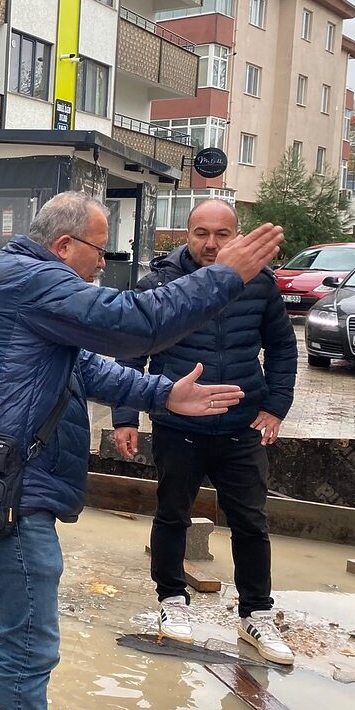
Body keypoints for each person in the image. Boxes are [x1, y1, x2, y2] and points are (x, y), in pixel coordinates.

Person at [0, 191, 284, 710]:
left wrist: (166, 394)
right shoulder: (32, 280)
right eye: (99, 249)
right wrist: (224, 278)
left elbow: (89, 367)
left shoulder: (25, 281)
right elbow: (133, 324)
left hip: (0, 478)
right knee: (32, 643)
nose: (105, 261)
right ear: (64, 245)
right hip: (9, 487)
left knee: (11, 623)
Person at [112, 199, 297, 663]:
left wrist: (275, 407)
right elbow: (132, 354)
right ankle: (172, 602)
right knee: (172, 514)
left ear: (236, 235)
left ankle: (256, 614)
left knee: (252, 522)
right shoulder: (160, 284)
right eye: (201, 233)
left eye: (222, 234)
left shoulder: (260, 284)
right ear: (187, 235)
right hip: (179, 425)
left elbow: (282, 348)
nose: (211, 243)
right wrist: (125, 417)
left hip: (241, 426)